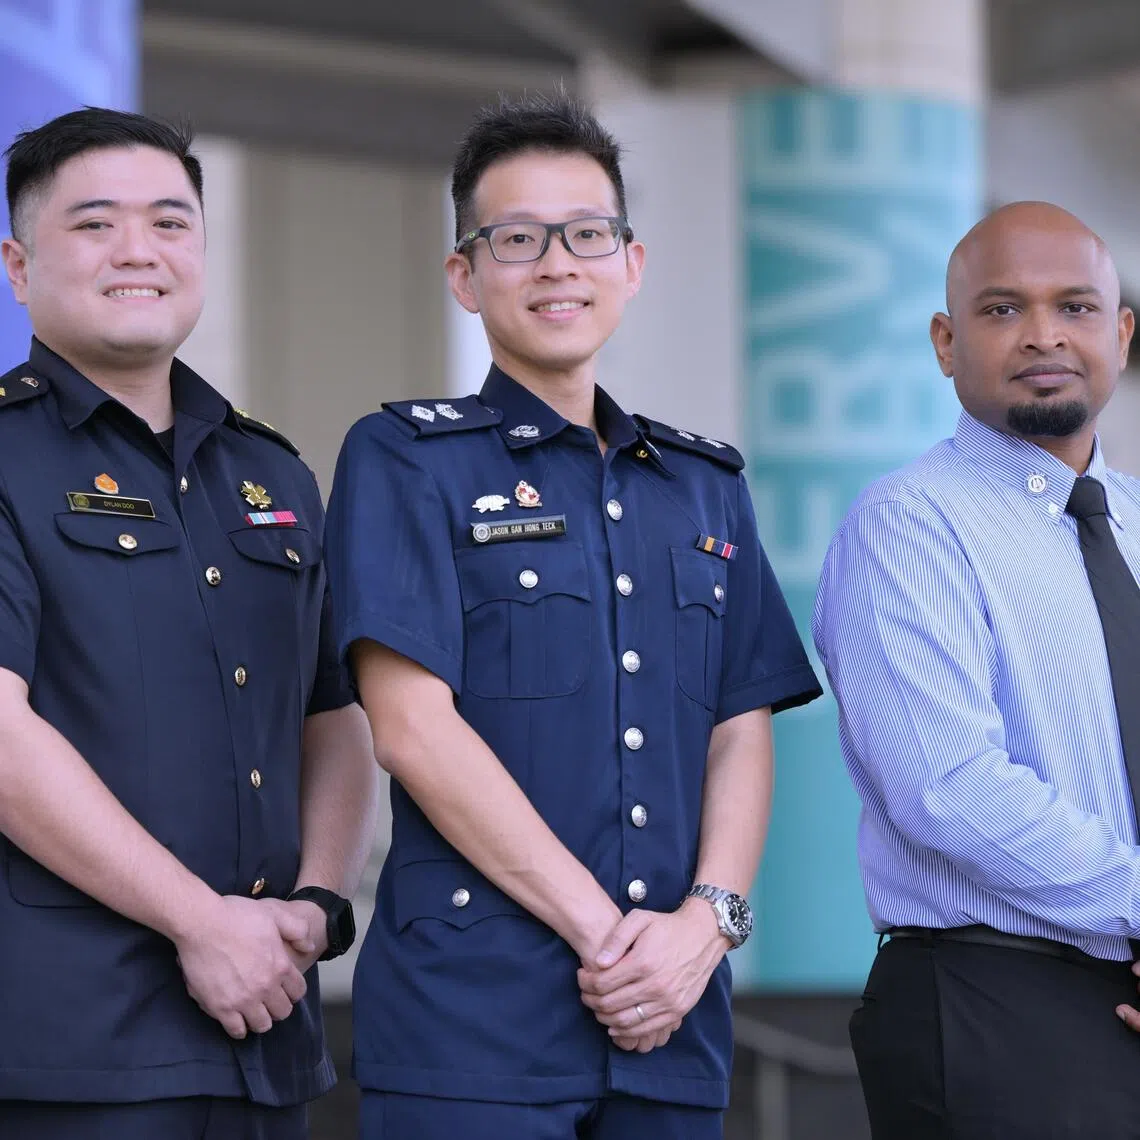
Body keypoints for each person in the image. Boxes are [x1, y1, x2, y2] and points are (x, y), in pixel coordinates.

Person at [324, 91, 821, 1140]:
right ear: (464, 275)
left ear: (631, 264)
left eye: (588, 235)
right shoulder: (405, 458)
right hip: (472, 1028)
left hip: (674, 1026)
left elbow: (741, 729)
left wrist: (705, 929)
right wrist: (611, 940)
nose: (559, 264)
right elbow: (411, 729)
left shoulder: (703, 486)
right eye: (518, 239)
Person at [0, 108, 378, 1139]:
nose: (139, 251)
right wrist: (200, 923)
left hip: (264, 1032)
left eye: (171, 222)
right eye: (95, 225)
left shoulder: (273, 473)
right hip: (72, 1050)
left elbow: (333, 713)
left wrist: (314, 906)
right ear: (18, 265)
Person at [813, 200, 1140, 1138]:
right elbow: (947, 788)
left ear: (1119, 333)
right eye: (1003, 310)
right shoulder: (909, 524)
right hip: (994, 997)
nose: (1044, 335)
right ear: (946, 342)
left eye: (1076, 307)